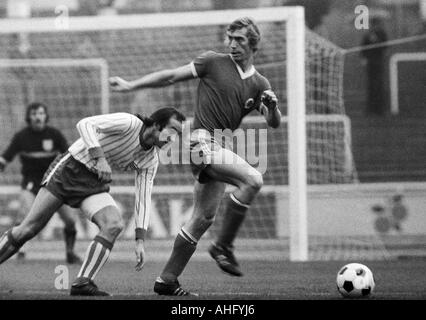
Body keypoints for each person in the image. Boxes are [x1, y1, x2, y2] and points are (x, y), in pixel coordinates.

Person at [110, 17, 281, 296]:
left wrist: (272, 108)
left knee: (203, 218)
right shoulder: (213, 62)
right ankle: (223, 246)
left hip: (220, 146)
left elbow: (274, 122)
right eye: (230, 38)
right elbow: (170, 76)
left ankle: (167, 279)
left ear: (253, 44)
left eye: (239, 39)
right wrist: (131, 85)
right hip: (201, 142)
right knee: (253, 179)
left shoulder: (260, 83)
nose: (232, 44)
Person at [0, 108, 186, 296]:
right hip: (69, 170)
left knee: (113, 225)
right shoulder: (129, 122)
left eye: (178, 134)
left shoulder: (151, 160)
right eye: (172, 130)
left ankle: (82, 282)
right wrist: (100, 158)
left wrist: (140, 240)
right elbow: (85, 124)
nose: (174, 138)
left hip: (94, 182)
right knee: (27, 230)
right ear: (156, 125)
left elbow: (144, 197)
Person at [0, 102, 81, 264]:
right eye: (35, 114)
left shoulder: (54, 135)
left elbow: (70, 155)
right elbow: (5, 158)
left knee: (71, 220)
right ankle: (20, 250)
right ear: (29, 117)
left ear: (45, 116)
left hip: (55, 183)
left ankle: (70, 253)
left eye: (41, 113)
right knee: (25, 215)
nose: (38, 117)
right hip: (31, 184)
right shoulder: (21, 137)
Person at [361, 17, 388, 115]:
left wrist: (376, 41)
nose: (375, 26)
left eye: (376, 24)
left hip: (378, 62)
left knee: (379, 85)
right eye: (373, 24)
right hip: (370, 63)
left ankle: (379, 109)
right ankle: (370, 109)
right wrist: (364, 58)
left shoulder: (382, 34)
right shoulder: (367, 34)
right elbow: (363, 47)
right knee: (371, 85)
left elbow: (385, 47)